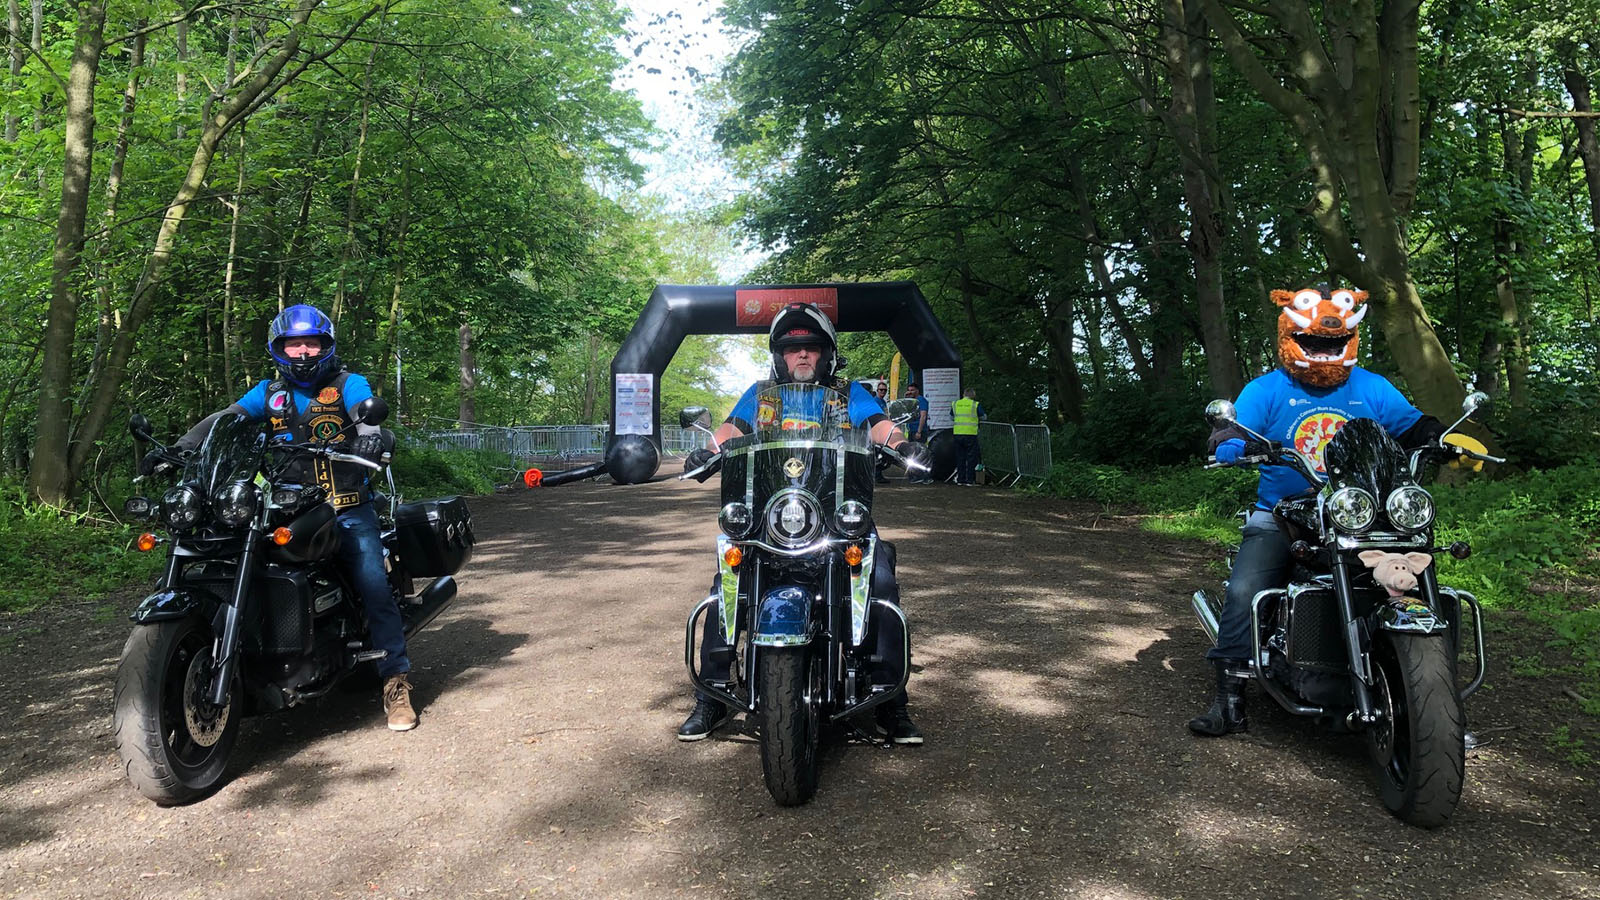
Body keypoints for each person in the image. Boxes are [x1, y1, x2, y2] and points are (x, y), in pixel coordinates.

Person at [1190, 285, 1484, 737]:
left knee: (1412, 565)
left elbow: (1410, 425)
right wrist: (1231, 442)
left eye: (1334, 340)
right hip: (1285, 511)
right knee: (1246, 587)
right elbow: (1234, 427)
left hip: (1363, 509)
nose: (1325, 346)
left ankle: (1432, 695)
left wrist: (1446, 438)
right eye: (1316, 340)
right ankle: (1229, 697)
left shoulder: (1371, 386)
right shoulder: (1268, 389)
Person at [678, 302, 930, 745]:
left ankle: (891, 701)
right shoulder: (760, 396)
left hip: (836, 519)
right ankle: (713, 695)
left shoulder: (848, 394)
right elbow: (731, 430)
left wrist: (903, 443)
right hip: (771, 518)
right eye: (793, 349)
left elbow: (878, 426)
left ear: (826, 354)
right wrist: (707, 450)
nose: (802, 356)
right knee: (726, 584)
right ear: (779, 356)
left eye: (811, 347)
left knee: (882, 583)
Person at [160, 304, 419, 732]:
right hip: (282, 506)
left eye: (311, 342)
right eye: (293, 343)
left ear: (325, 346)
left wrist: (370, 438)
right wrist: (179, 448)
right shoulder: (268, 393)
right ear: (279, 349)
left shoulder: (347, 384)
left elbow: (364, 413)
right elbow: (226, 419)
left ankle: (396, 680)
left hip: (345, 505)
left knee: (372, 580)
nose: (302, 352)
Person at [951, 387, 986, 485]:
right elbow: (984, 416)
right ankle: (970, 480)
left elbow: (951, 417)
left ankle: (960, 479)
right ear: (973, 395)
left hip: (957, 434)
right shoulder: (975, 404)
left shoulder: (955, 404)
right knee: (971, 458)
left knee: (960, 457)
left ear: (963, 395)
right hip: (971, 434)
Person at [904, 382, 932, 484]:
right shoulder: (910, 401)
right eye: (909, 390)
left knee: (921, 454)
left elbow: (923, 416)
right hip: (911, 430)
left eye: (912, 390)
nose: (910, 392)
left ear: (917, 390)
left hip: (919, 431)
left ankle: (925, 476)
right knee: (912, 455)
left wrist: (919, 431)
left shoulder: (922, 401)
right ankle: (914, 476)